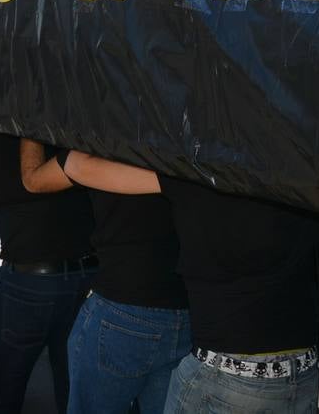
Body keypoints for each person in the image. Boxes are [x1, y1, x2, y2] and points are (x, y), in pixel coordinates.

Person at [35, 149, 319, 413]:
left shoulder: (193, 173)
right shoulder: (306, 171)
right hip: (303, 369)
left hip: (221, 369)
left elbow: (73, 168)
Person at [21, 141, 191, 414]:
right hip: (189, 311)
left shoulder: (101, 145)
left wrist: (29, 126)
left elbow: (34, 179)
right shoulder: (195, 147)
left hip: (121, 307)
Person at [0, 129, 97, 414]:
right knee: (75, 395)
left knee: (2, 395)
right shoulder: (87, 93)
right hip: (89, 270)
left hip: (29, 274)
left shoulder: (3, 97)